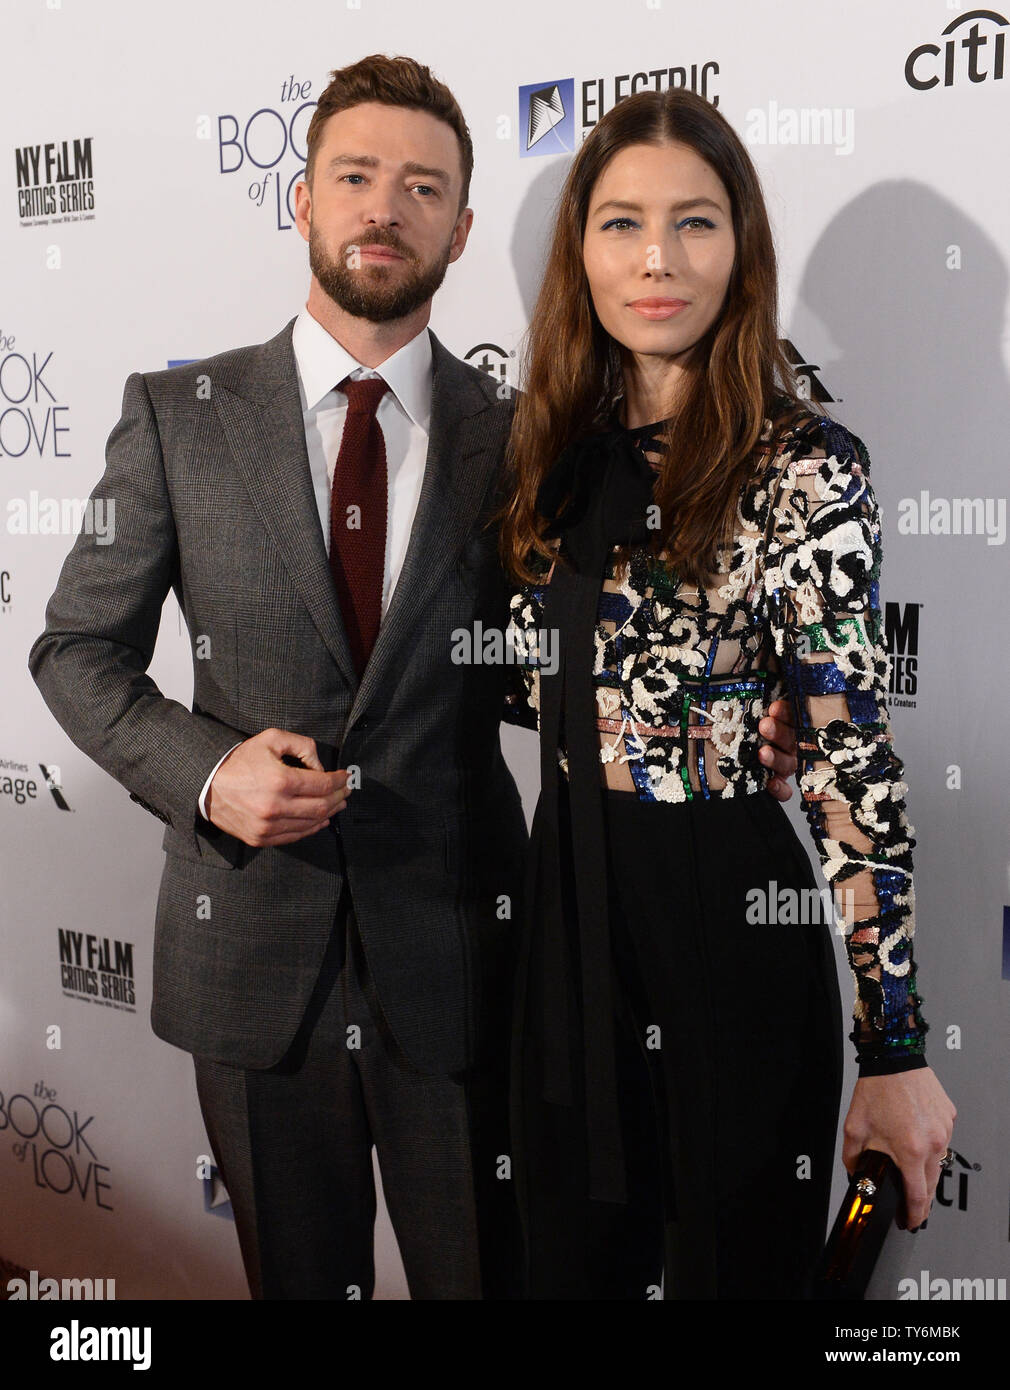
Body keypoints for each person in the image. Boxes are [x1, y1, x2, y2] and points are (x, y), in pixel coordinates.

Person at [28, 56, 800, 1301]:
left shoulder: (533, 435)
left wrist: (729, 714)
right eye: (355, 177)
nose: (384, 207)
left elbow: (568, 661)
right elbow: (72, 648)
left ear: (460, 226)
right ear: (303, 200)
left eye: (422, 186)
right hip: (250, 971)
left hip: (470, 964)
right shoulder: (178, 414)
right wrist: (208, 770)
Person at [500, 87, 955, 1300]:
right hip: (564, 925)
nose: (656, 259)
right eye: (620, 223)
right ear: (579, 250)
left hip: (726, 920)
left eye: (695, 222)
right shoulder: (548, 456)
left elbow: (852, 759)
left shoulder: (802, 465)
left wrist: (896, 1045)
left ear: (741, 246)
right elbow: (540, 684)